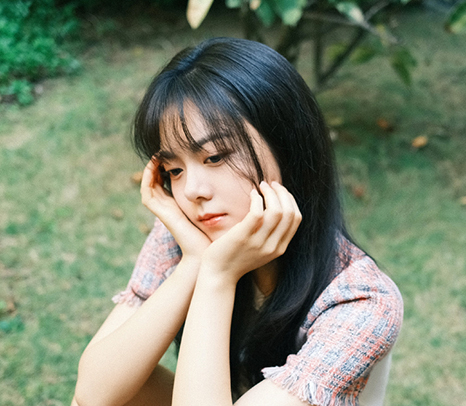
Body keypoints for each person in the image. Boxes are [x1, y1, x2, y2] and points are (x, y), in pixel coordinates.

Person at [71, 37, 403, 406]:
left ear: (288, 145)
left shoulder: (361, 301)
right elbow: (92, 395)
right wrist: (195, 261)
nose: (193, 191)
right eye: (175, 170)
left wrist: (217, 275)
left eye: (215, 157)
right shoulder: (190, 233)